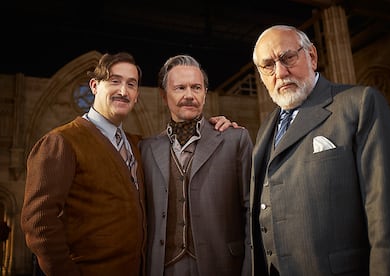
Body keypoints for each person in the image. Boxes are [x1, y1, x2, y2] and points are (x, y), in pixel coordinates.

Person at [20, 52, 234, 276]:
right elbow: (39, 221)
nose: (123, 91)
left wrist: (214, 127)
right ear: (94, 85)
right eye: (115, 81)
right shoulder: (61, 142)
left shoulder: (139, 145)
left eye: (131, 84)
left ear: (136, 95)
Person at [250, 25, 390, 275]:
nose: (280, 73)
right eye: (268, 66)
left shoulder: (359, 104)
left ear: (312, 56)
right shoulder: (265, 129)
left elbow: (389, 214)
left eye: (287, 58)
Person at [139, 54, 252, 276]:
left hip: (223, 265)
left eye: (196, 88)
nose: (189, 95)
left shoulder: (235, 139)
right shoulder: (145, 149)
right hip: (163, 267)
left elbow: (250, 210)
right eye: (180, 88)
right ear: (164, 95)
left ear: (205, 94)